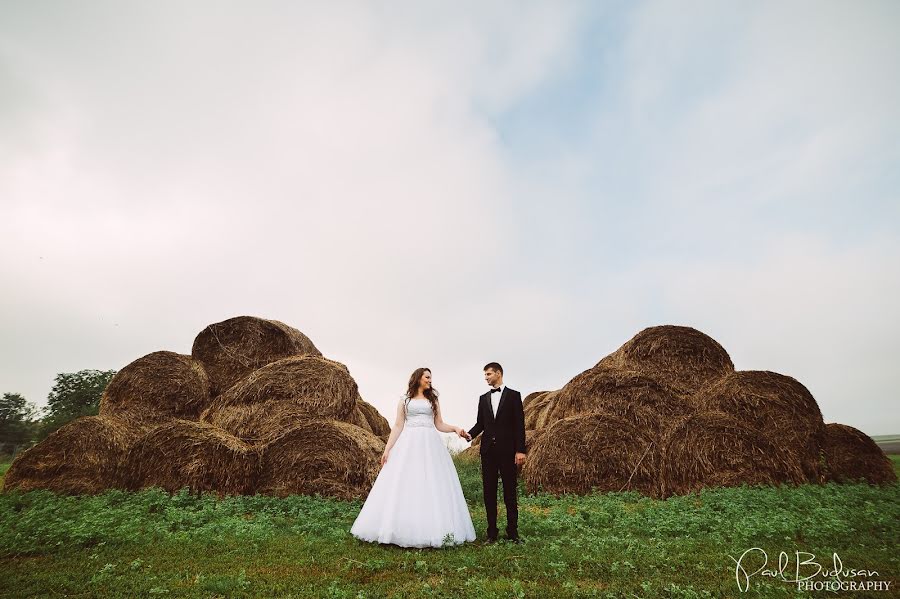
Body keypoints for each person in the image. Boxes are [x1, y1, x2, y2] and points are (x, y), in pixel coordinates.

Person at [350, 367, 476, 548]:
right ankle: (398, 528)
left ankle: (433, 529)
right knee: (406, 481)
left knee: (431, 481)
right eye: (427, 377)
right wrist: (387, 449)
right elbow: (398, 425)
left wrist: (455, 429)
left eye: (431, 378)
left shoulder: (433, 400)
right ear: (418, 378)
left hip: (430, 443)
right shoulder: (405, 400)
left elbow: (439, 424)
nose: (430, 380)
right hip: (409, 443)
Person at [463, 362, 526, 544]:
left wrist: (520, 450)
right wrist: (469, 435)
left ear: (498, 373)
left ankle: (513, 533)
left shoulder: (514, 396)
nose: (486, 378)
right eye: (485, 375)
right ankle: (492, 534)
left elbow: (519, 426)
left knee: (509, 493)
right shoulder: (483, 399)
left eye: (488, 374)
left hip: (508, 452)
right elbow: (480, 424)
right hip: (488, 452)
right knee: (489, 493)